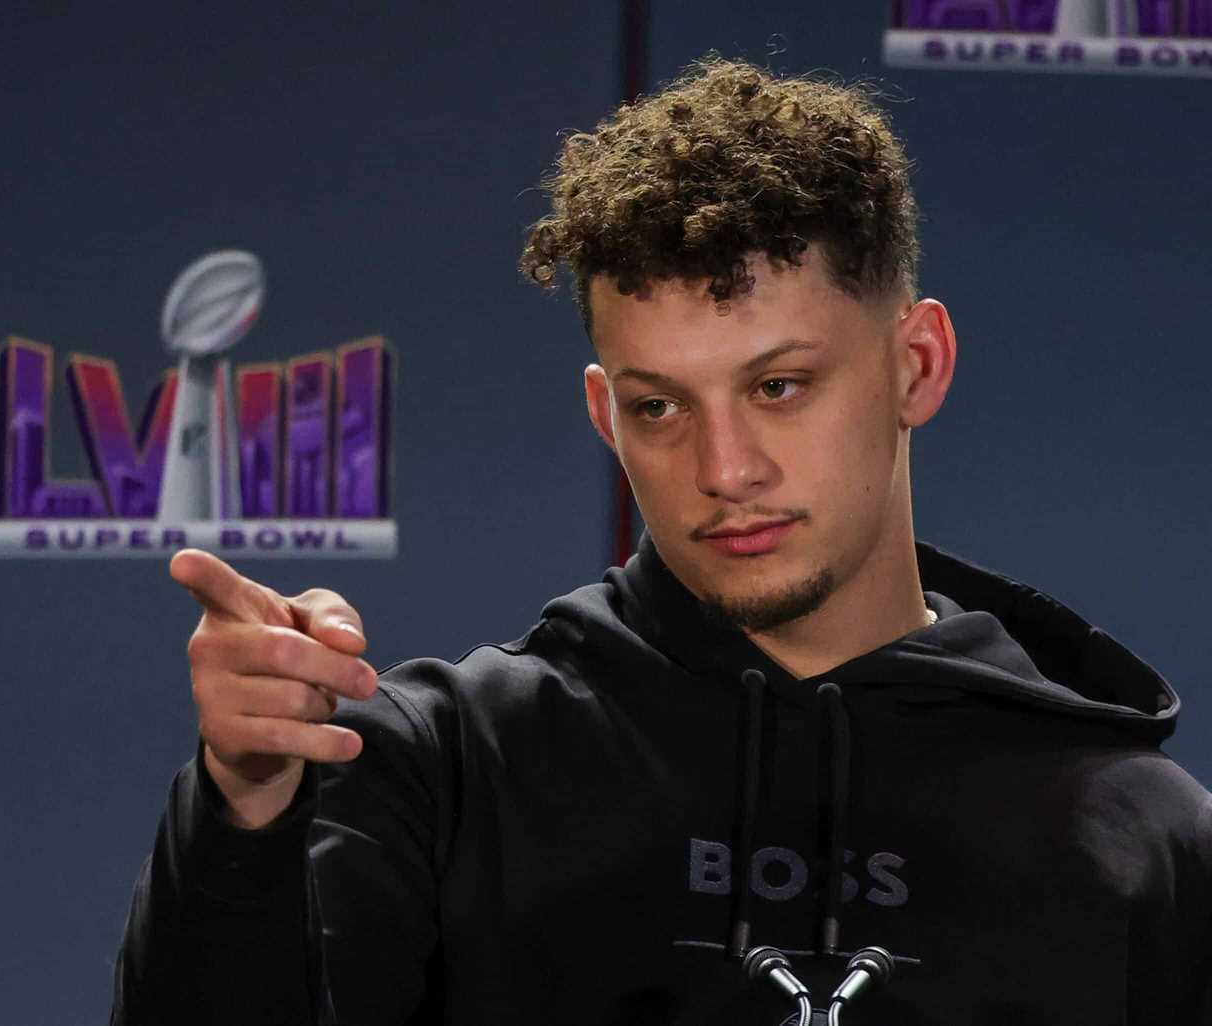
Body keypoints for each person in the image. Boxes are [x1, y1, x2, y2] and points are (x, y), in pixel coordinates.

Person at [110, 56, 1212, 1025]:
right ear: (603, 415)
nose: (724, 470)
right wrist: (243, 807)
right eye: (658, 407)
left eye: (779, 386)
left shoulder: (1137, 836)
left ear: (913, 365)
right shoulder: (438, 768)